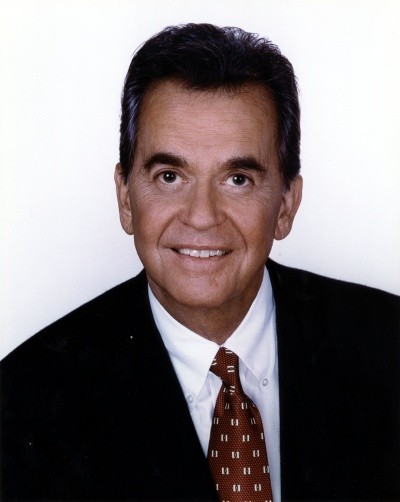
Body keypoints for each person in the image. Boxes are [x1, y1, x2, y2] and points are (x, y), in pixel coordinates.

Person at [1, 23, 398, 501]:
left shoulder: (389, 350)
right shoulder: (23, 404)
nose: (202, 217)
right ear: (126, 198)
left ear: (287, 204)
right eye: (170, 176)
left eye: (238, 180)